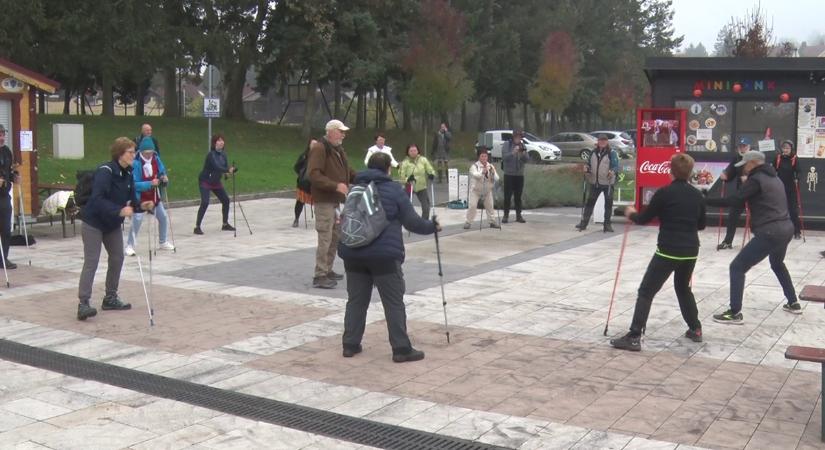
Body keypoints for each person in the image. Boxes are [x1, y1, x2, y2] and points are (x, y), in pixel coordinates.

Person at [338, 152, 439, 362]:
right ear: (387, 169)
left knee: (356, 300)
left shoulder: (355, 189)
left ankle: (350, 344)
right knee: (393, 302)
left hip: (353, 255)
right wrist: (433, 226)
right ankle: (401, 349)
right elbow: (413, 222)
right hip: (384, 257)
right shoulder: (393, 190)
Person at [610, 154, 706, 351]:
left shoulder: (664, 193)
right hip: (690, 251)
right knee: (683, 288)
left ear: (670, 171)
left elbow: (644, 218)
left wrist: (630, 212)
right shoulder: (697, 195)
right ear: (690, 172)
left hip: (668, 250)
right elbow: (702, 225)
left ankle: (635, 335)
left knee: (646, 291)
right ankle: (695, 328)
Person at [706, 150, 802, 324]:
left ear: (753, 163)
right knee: (777, 264)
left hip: (770, 232)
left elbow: (735, 201)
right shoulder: (775, 177)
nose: (743, 168)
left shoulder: (756, 180)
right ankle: (793, 302)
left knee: (737, 267)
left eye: (744, 165)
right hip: (786, 228)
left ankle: (734, 312)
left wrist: (705, 200)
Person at [77, 137, 153, 321]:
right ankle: (83, 303)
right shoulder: (106, 171)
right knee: (92, 261)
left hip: (112, 224)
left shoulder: (128, 174)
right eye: (131, 152)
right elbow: (97, 199)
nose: (134, 156)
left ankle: (110, 297)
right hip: (93, 222)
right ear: (120, 154)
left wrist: (142, 206)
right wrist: (119, 210)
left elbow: (132, 202)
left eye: (134, 152)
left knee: (118, 257)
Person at [308, 119, 356, 289]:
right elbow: (314, 174)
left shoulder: (338, 150)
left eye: (343, 131)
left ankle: (327, 269)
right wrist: (335, 185)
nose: (343, 134)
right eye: (340, 131)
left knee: (335, 236)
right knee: (325, 236)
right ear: (330, 131)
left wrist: (362, 178)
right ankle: (319, 274)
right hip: (324, 200)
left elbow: (347, 172)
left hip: (336, 201)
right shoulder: (320, 148)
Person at [125, 138, 175, 256]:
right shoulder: (136, 164)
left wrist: (164, 178)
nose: (148, 155)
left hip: (154, 195)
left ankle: (163, 241)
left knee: (163, 217)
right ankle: (129, 245)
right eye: (146, 153)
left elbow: (162, 172)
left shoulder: (156, 160)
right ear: (141, 152)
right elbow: (134, 184)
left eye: (151, 152)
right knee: (137, 220)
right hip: (140, 198)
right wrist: (149, 184)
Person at [575, 134, 619, 232]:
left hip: (607, 183)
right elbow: (588, 164)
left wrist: (612, 171)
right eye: (601, 140)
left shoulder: (612, 153)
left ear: (607, 142)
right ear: (598, 142)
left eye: (604, 140)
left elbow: (615, 166)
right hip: (594, 182)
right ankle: (583, 223)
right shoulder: (593, 152)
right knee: (589, 204)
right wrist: (587, 168)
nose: (602, 142)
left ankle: (607, 225)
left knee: (608, 205)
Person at [194, 134, 236, 234]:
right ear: (214, 143)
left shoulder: (224, 154)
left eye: (222, 140)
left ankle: (225, 224)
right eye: (219, 140)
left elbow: (224, 167)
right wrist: (227, 170)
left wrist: (227, 174)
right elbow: (217, 166)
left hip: (216, 181)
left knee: (226, 200)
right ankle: (197, 227)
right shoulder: (211, 155)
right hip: (205, 180)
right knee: (205, 202)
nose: (221, 142)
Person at [717, 137, 751, 249]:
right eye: (740, 146)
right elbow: (730, 174)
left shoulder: (754, 159)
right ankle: (728, 241)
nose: (742, 148)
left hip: (754, 193)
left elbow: (763, 175)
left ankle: (761, 242)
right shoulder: (736, 158)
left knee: (758, 217)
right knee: (732, 216)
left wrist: (750, 178)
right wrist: (725, 176)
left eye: (744, 146)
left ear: (749, 147)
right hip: (741, 193)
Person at [464, 147, 500, 229]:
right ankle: (468, 222)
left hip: (487, 191)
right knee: (472, 206)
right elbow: (476, 175)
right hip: (476, 191)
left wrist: (493, 173)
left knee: (490, 206)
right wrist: (482, 172)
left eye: (485, 156)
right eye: (482, 156)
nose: (484, 158)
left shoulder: (490, 166)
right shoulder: (474, 166)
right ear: (479, 157)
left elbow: (497, 178)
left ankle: (492, 222)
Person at [772, 140, 802, 239]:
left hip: (791, 188)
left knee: (793, 211)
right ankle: (778, 230)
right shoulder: (778, 158)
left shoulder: (794, 158)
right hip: (779, 188)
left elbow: (799, 171)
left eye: (787, 148)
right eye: (784, 148)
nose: (785, 150)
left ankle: (797, 231)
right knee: (778, 210)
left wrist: (797, 178)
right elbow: (773, 170)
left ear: (791, 149)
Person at [398, 144, 436, 220]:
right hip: (409, 186)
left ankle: (424, 222)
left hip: (421, 186)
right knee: (405, 205)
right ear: (408, 152)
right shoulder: (405, 162)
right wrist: (407, 179)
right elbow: (401, 177)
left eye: (415, 150)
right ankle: (406, 220)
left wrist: (431, 174)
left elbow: (430, 169)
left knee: (426, 207)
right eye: (411, 151)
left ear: (418, 151)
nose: (413, 152)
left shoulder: (423, 160)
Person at [501, 130, 529, 224]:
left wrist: (523, 155)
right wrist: (513, 152)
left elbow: (527, 160)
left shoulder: (523, 145)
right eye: (517, 137)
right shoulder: (507, 145)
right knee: (507, 196)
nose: (518, 138)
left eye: (520, 137)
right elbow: (504, 157)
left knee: (518, 196)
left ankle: (518, 215)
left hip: (519, 175)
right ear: (513, 137)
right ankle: (506, 215)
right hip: (509, 174)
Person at [0, 125, 17, 269]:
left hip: (4, 195)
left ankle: (3, 258)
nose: (1, 137)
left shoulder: (6, 152)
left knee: (6, 229)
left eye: (3, 134)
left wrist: (14, 177)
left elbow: (8, 171)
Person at [292, 139, 316, 228]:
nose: (314, 146)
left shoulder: (320, 156)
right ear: (309, 145)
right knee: (300, 201)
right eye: (312, 144)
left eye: (316, 144)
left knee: (320, 202)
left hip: (315, 184)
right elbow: (296, 167)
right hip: (304, 183)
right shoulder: (304, 156)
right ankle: (296, 219)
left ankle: (321, 220)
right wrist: (302, 174)